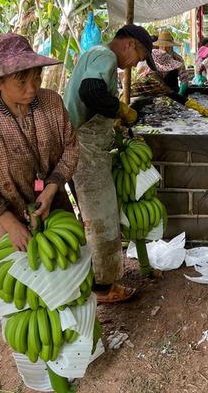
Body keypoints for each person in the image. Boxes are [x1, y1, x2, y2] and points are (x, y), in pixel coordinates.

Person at [0, 33, 79, 252]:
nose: (32, 88)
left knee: (67, 267)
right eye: (21, 82)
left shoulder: (51, 102)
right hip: (10, 218)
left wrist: (52, 187)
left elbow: (71, 148)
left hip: (56, 205)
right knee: (25, 277)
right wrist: (9, 223)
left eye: (36, 77)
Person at [63, 24, 155, 303]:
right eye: (139, 56)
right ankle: (103, 288)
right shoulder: (106, 56)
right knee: (100, 218)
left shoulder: (96, 54)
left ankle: (92, 276)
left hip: (82, 148)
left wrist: (112, 120)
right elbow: (91, 91)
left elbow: (91, 98)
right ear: (129, 43)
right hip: (85, 152)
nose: (135, 63)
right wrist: (121, 110)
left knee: (92, 217)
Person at [132, 49, 208, 116]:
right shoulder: (152, 79)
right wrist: (198, 107)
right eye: (166, 69)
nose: (167, 71)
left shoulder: (150, 72)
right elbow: (174, 96)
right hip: (133, 104)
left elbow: (183, 79)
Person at [153, 30, 190, 97]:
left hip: (174, 92)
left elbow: (184, 78)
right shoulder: (153, 58)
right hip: (157, 94)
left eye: (167, 46)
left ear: (171, 46)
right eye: (162, 46)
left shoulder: (178, 59)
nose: (164, 49)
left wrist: (180, 93)